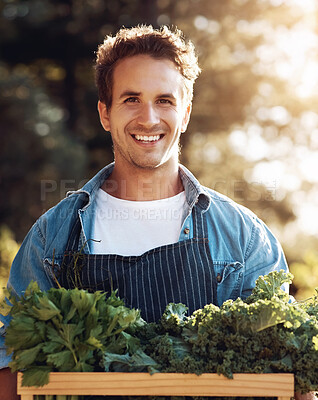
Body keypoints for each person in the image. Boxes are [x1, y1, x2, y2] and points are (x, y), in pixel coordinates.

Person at [0, 24, 309, 400]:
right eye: (131, 99)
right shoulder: (54, 236)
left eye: (165, 100)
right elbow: (12, 369)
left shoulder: (242, 237)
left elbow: (290, 374)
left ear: (186, 113)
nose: (149, 118)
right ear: (105, 113)